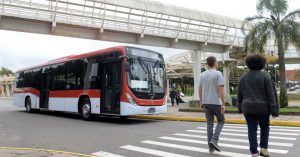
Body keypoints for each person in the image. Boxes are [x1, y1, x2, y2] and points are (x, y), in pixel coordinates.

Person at [237, 54, 279, 157]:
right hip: (263, 108)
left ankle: (254, 152)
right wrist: (274, 110)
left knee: (251, 129)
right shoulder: (266, 76)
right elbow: (271, 95)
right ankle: (264, 149)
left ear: (248, 64)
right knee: (265, 127)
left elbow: (239, 95)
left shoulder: (243, 77)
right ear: (262, 64)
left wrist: (239, 108)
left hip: (248, 108)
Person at [199, 56, 225, 153]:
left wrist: (201, 101)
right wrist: (223, 103)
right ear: (215, 63)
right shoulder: (218, 73)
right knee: (221, 121)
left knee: (209, 124)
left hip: (206, 103)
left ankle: (211, 147)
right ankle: (214, 140)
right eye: (217, 62)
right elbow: (221, 89)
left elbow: (200, 88)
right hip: (216, 103)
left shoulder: (202, 74)